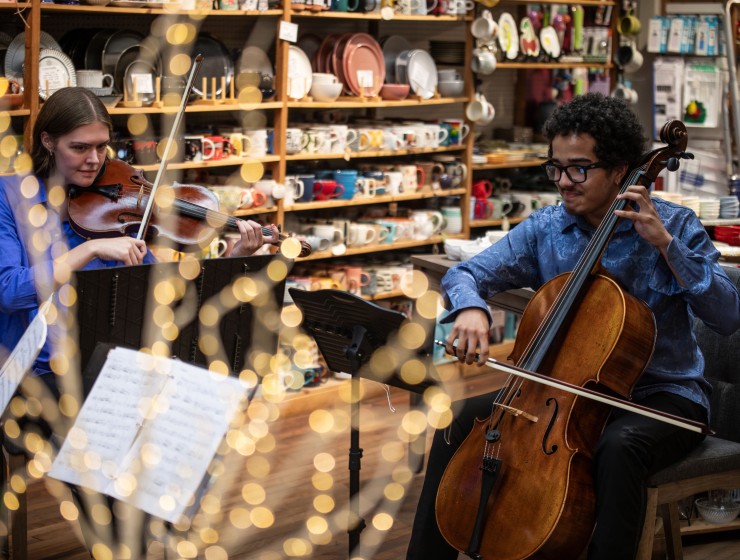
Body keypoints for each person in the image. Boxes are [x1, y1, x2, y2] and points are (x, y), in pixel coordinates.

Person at [407, 93, 740, 560]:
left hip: (663, 398)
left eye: (579, 168)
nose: (564, 182)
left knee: (619, 447)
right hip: (563, 394)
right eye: (556, 168)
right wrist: (470, 309)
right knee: (459, 419)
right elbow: (467, 273)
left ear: (621, 170)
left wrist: (667, 247)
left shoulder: (674, 226)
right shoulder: (547, 227)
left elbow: (728, 317)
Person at [0, 86, 278, 384]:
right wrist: (90, 250)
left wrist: (235, 257)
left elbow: (170, 295)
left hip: (105, 366)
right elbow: (10, 292)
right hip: (32, 375)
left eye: (101, 147)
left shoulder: (117, 205)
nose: (95, 160)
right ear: (48, 141)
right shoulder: (11, 195)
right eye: (80, 148)